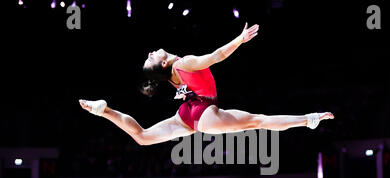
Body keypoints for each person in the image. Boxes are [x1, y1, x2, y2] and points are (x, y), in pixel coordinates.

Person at [79, 23, 334, 146]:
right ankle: (308, 118)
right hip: (203, 112)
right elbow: (217, 56)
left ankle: (106, 111)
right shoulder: (183, 64)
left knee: (143, 138)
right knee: (259, 121)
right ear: (164, 63)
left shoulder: (171, 75)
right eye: (151, 58)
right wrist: (240, 39)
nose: (151, 52)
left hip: (186, 114)